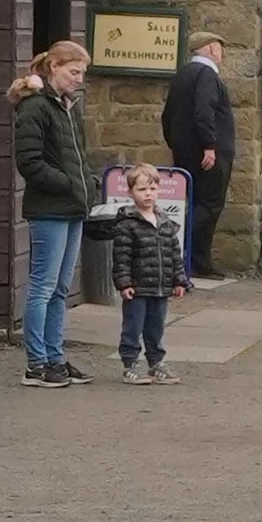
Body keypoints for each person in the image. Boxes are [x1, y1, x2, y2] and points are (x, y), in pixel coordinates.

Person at [10, 40, 95, 387]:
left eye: (81, 73)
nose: (78, 79)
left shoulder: (68, 106)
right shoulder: (35, 108)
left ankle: (55, 356)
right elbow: (29, 162)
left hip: (72, 205)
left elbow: (80, 155)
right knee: (43, 286)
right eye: (74, 72)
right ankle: (36, 363)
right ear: (54, 66)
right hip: (49, 209)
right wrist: (69, 184)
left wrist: (88, 185)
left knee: (60, 288)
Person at [160, 30, 236, 279]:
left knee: (192, 204)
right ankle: (196, 261)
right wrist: (210, 146)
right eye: (220, 49)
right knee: (209, 205)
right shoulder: (206, 75)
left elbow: (167, 116)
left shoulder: (182, 74)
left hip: (185, 152)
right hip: (208, 155)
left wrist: (176, 145)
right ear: (212, 49)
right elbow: (205, 111)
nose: (222, 54)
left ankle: (186, 258)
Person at [111, 162, 187, 384]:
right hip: (137, 288)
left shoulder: (165, 223)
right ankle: (130, 364)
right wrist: (124, 284)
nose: (148, 194)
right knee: (132, 327)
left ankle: (156, 363)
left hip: (161, 288)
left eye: (152, 189)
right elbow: (121, 257)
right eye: (142, 189)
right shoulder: (127, 225)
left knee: (156, 327)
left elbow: (174, 253)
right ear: (131, 192)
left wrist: (179, 280)